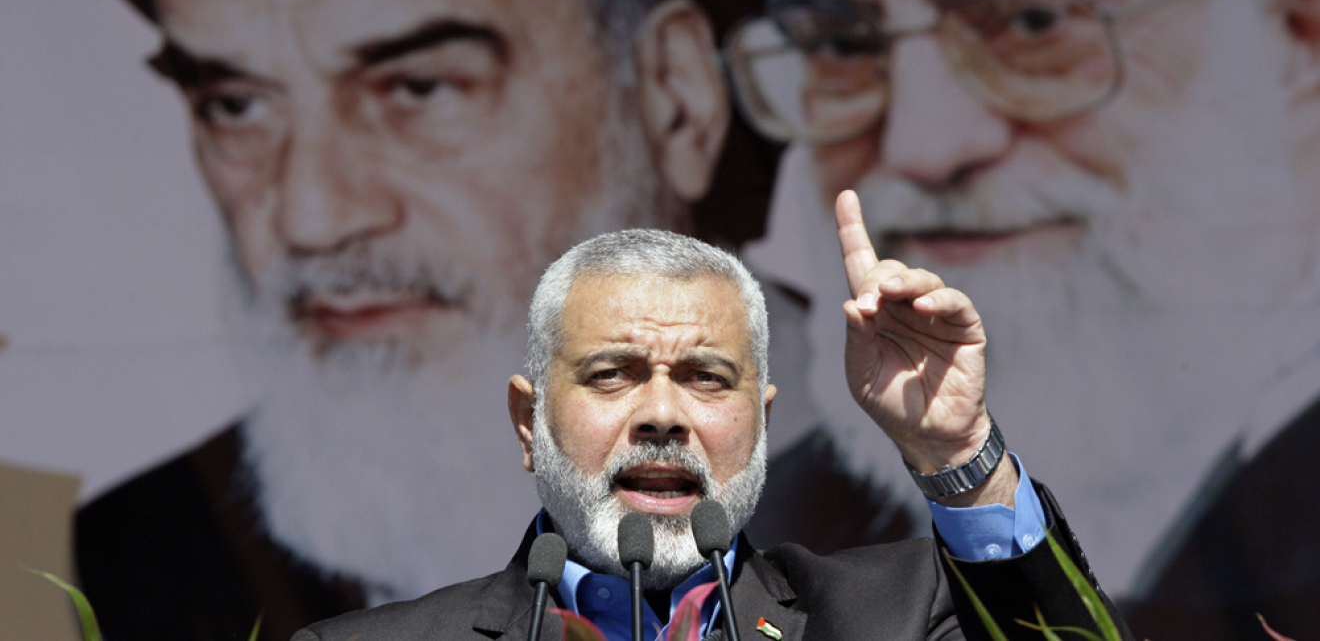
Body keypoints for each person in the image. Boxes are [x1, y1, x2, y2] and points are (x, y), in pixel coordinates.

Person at [76, 0, 740, 640]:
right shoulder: (151, 549)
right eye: (236, 105)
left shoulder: (833, 545)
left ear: (674, 97)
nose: (310, 217)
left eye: (420, 89)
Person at [721, 0, 1320, 637]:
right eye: (844, 45)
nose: (927, 145)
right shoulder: (762, 533)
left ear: (1298, 36)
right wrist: (959, 460)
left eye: (1033, 23)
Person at [293, 203, 1134, 641]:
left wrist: (956, 451)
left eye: (706, 378)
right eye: (613, 375)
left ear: (760, 423)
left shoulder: (905, 616)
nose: (663, 415)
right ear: (528, 421)